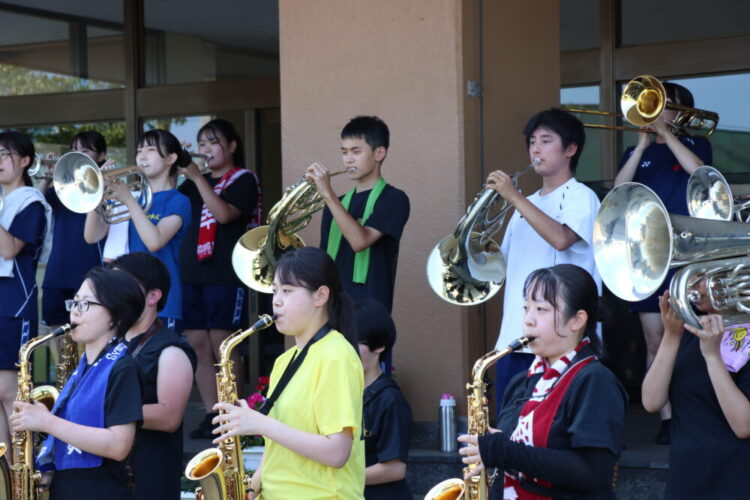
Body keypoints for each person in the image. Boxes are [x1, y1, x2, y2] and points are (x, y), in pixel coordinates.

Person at [458, 264, 627, 500]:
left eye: (541, 309)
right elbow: (518, 453)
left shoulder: (594, 380)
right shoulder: (522, 382)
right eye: (526, 308)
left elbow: (591, 473)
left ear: (577, 320)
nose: (528, 320)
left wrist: (501, 450)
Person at [212, 247, 365, 499]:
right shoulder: (285, 361)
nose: (276, 301)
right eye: (274, 291)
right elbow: (279, 445)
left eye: (288, 291)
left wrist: (259, 423)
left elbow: (337, 452)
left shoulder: (336, 356)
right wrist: (253, 486)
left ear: (320, 296)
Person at [613, 82, 712, 443]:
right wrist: (641, 145)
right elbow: (619, 191)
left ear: (683, 112)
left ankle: (696, 409)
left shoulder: (695, 145)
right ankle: (667, 417)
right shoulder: (635, 151)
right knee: (654, 339)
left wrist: (668, 137)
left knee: (693, 335)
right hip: (648, 254)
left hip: (688, 251)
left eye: (666, 105)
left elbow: (700, 173)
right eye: (654, 104)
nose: (657, 111)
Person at [487, 108, 601, 411]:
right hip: (514, 336)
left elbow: (562, 239)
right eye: (532, 141)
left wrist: (514, 197)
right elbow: (504, 265)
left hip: (559, 343)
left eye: (546, 140)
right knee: (510, 431)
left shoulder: (581, 196)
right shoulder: (527, 204)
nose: (535, 149)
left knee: (546, 433)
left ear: (571, 149)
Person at [10, 267, 144, 500]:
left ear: (115, 314)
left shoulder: (123, 368)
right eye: (74, 302)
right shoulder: (82, 369)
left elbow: (118, 445)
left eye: (85, 304)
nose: (74, 312)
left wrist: (48, 422)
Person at [177, 119, 261, 439]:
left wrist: (198, 178)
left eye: (213, 142)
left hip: (224, 272)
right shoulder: (191, 183)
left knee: (222, 344)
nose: (206, 150)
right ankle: (212, 413)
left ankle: (234, 411)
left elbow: (225, 215)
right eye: (202, 144)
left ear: (232, 145)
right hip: (191, 271)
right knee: (198, 345)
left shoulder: (244, 180)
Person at [642, 288, 750, 499]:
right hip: (685, 480)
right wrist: (671, 336)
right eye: (691, 277)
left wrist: (712, 357)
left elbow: (744, 426)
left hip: (736, 482)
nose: (694, 286)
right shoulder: (691, 328)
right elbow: (651, 402)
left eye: (701, 277)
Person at [84, 129, 192, 331]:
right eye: (140, 149)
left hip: (162, 299)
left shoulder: (178, 200)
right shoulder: (131, 195)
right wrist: (96, 193)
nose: (142, 155)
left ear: (171, 158)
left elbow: (155, 241)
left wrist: (128, 200)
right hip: (128, 297)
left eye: (151, 149)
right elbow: (92, 236)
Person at [110, 252, 197, 500]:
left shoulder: (171, 349)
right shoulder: (112, 344)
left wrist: (98, 409)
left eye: (123, 285)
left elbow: (169, 416)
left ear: (153, 296)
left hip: (149, 480)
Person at [307, 115, 410, 314]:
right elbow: (325, 260)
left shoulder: (394, 198)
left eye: (356, 151)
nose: (348, 159)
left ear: (379, 153)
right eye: (344, 152)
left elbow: (359, 241)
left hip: (371, 310)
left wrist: (328, 194)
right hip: (333, 306)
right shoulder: (336, 203)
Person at [0, 131, 53, 448]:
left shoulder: (31, 203)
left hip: (15, 306)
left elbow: (9, 249)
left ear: (25, 161)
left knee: (10, 393)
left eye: (5, 154)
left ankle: (24, 473)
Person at [39, 131, 106, 330]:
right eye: (74, 150)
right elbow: (36, 205)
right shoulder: (63, 188)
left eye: (86, 150)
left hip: (91, 271)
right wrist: (48, 177)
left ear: (101, 156)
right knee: (58, 333)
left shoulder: (108, 187)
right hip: (57, 272)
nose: (79, 154)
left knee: (90, 331)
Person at [355, 300, 412, 500]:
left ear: (379, 345)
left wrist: (338, 478)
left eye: (354, 342)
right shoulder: (343, 392)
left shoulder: (390, 399)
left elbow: (395, 469)